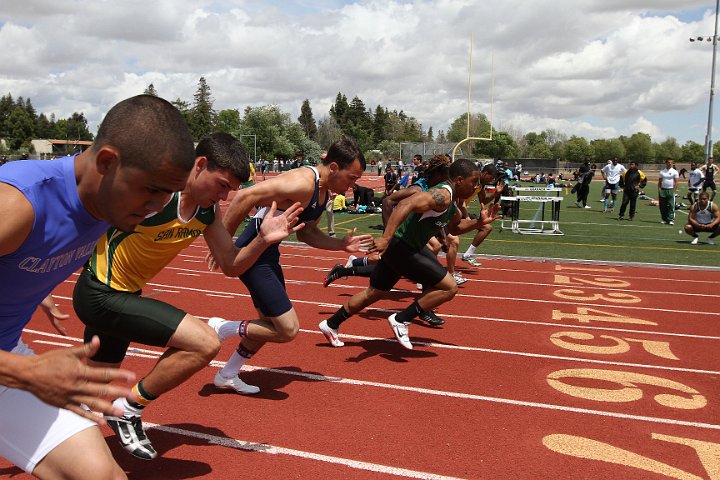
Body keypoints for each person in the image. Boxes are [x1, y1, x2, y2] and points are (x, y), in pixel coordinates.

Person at [70, 133, 303, 461]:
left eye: (230, 191)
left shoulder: (206, 213)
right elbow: (86, 212)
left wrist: (262, 240)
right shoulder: (154, 193)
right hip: (100, 294)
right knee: (205, 342)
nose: (224, 197)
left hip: (124, 296)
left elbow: (231, 264)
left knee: (88, 400)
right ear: (200, 165)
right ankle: (128, 408)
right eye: (221, 185)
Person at [0, 94, 196, 479]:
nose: (158, 206)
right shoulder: (17, 204)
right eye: (152, 190)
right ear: (106, 162)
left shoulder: (111, 203)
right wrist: (21, 372)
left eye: (167, 194)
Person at [207, 137, 372, 394]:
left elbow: (308, 234)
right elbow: (243, 196)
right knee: (287, 329)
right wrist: (224, 245)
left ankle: (227, 374)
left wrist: (341, 245)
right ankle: (223, 327)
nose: (352, 187)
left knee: (267, 324)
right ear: (335, 168)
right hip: (254, 252)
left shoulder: (323, 191)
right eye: (352, 178)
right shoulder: (302, 183)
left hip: (268, 253)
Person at [318, 158, 499, 350]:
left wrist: (478, 223)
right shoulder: (441, 195)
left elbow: (456, 227)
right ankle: (401, 319)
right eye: (474, 181)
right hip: (403, 246)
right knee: (449, 288)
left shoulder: (452, 204)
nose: (477, 186)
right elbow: (406, 204)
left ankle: (331, 324)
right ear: (460, 180)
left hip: (403, 248)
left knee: (374, 293)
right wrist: (386, 238)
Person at [461, 164, 500, 267]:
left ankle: (468, 254)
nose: (491, 180)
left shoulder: (481, 184)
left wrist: (495, 193)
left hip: (461, 210)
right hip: (455, 209)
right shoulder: (473, 181)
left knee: (487, 227)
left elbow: (482, 200)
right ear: (485, 173)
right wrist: (467, 217)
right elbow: (461, 200)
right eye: (491, 178)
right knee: (450, 241)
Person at [658, 158, 679, 225]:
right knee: (662, 206)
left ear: (672, 163)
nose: (670, 163)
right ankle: (664, 219)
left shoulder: (675, 172)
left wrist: (674, 191)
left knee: (671, 205)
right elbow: (660, 182)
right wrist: (659, 190)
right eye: (668, 162)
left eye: (671, 162)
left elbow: (676, 182)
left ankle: (670, 219)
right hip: (663, 190)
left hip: (670, 190)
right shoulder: (662, 172)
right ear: (666, 163)